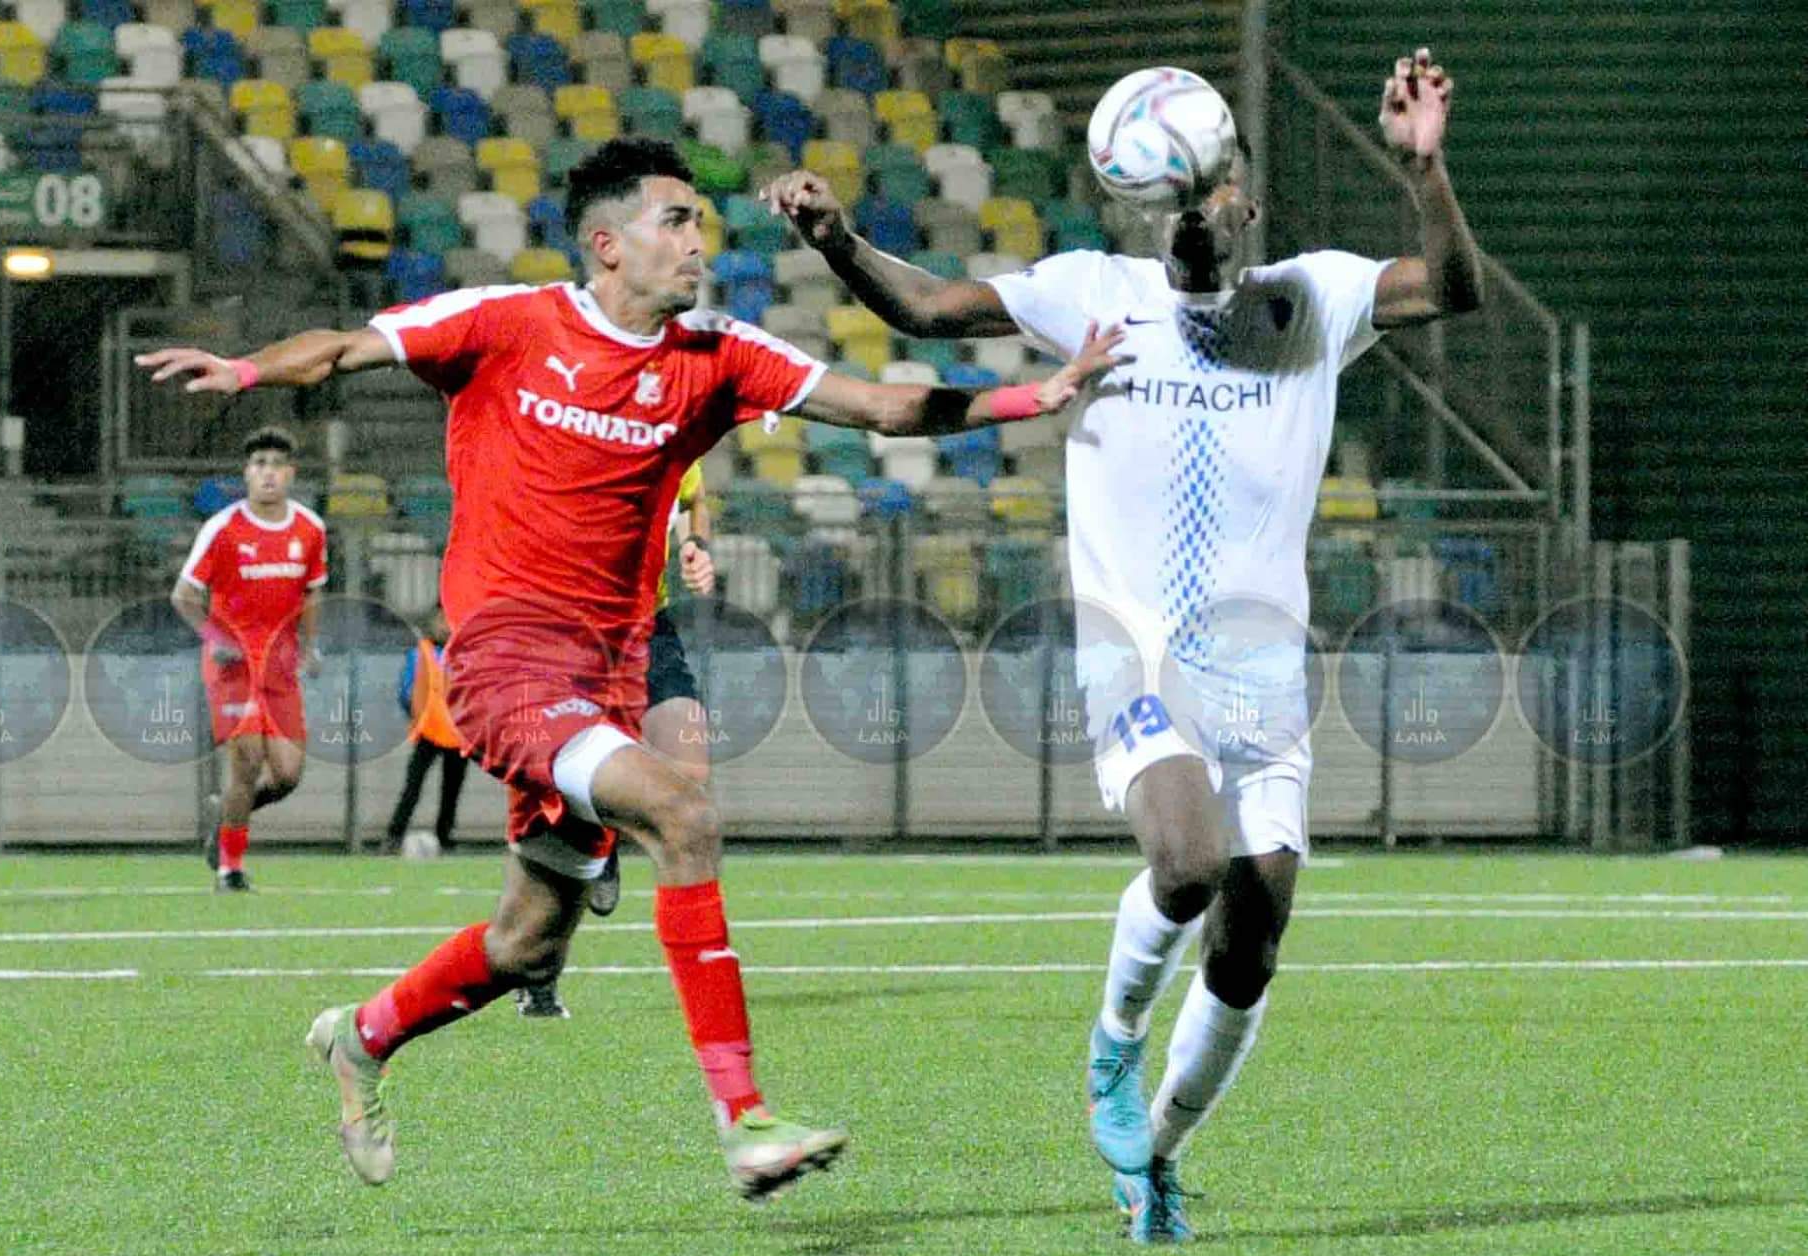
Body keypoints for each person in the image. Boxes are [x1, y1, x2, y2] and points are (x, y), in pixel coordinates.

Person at [137, 136, 1118, 1200]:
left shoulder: (717, 352)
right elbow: (340, 349)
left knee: (525, 940)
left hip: (610, 670)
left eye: (700, 220)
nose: (700, 240)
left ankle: (364, 1036)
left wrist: (1036, 396)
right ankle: (744, 1116)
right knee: (684, 815)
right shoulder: (507, 323)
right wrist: (242, 370)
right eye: (676, 222)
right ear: (608, 245)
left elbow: (884, 407)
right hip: (504, 661)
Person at [764, 51, 1483, 1240]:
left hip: (1260, 664)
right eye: (1167, 206)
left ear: (1242, 196)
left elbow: (1452, 285)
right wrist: (838, 239)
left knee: (1252, 936)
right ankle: (1110, 1044)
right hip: (1132, 647)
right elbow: (930, 309)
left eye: (1203, 197)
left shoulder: (1315, 297)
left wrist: (1425, 170)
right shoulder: (1089, 287)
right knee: (1188, 859)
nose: (1187, 221)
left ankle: (1153, 1152)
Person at [518, 457, 717, 1019]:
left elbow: (695, 498)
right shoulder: (570, 429)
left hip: (648, 626)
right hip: (570, 632)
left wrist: (696, 546)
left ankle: (603, 831)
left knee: (689, 776)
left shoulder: (676, 428)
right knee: (561, 824)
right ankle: (537, 973)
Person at [170, 426, 326, 892]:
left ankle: (227, 819)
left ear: (291, 473)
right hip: (232, 664)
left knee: (287, 776)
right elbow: (183, 596)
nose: (268, 473)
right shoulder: (222, 529)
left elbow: (312, 594)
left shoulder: (310, 528)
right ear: (247, 474)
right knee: (248, 762)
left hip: (280, 666)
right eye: (259, 464)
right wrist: (214, 636)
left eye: (277, 464)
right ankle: (230, 868)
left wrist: (311, 646)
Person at [382, 606, 468, 856]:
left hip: (457, 736)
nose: (445, 625)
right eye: (440, 620)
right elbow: (407, 690)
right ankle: (394, 836)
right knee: (413, 787)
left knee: (451, 790)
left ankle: (445, 837)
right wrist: (417, 715)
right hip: (429, 733)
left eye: (449, 620)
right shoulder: (421, 653)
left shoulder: (463, 655)